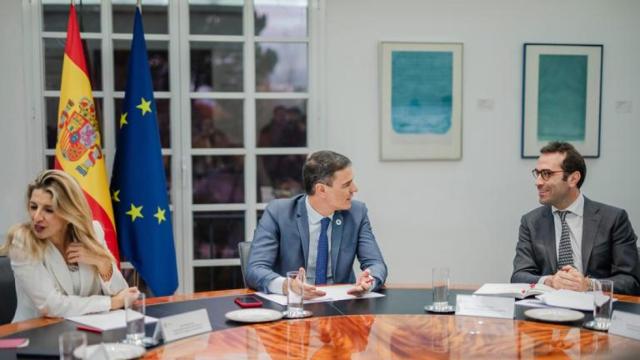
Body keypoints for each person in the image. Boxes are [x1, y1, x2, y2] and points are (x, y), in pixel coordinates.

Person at [246, 150, 387, 298]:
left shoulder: (357, 213)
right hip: (294, 305)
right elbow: (255, 269)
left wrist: (369, 281)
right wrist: (288, 286)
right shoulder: (279, 213)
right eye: (346, 185)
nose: (354, 189)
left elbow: (376, 264)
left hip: (342, 305)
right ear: (321, 190)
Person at [0, 170, 137, 322]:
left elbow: (122, 294)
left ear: (69, 212)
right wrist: (111, 303)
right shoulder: (23, 241)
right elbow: (51, 306)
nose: (36, 217)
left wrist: (102, 262)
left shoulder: (92, 232)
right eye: (33, 207)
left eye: (48, 210)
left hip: (87, 330)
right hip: (37, 335)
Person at [511, 142, 640, 294]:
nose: (538, 182)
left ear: (573, 178)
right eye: (537, 173)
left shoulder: (614, 219)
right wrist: (549, 281)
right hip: (546, 311)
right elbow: (519, 275)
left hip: (596, 311)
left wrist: (589, 284)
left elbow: (631, 281)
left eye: (546, 174)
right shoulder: (531, 222)